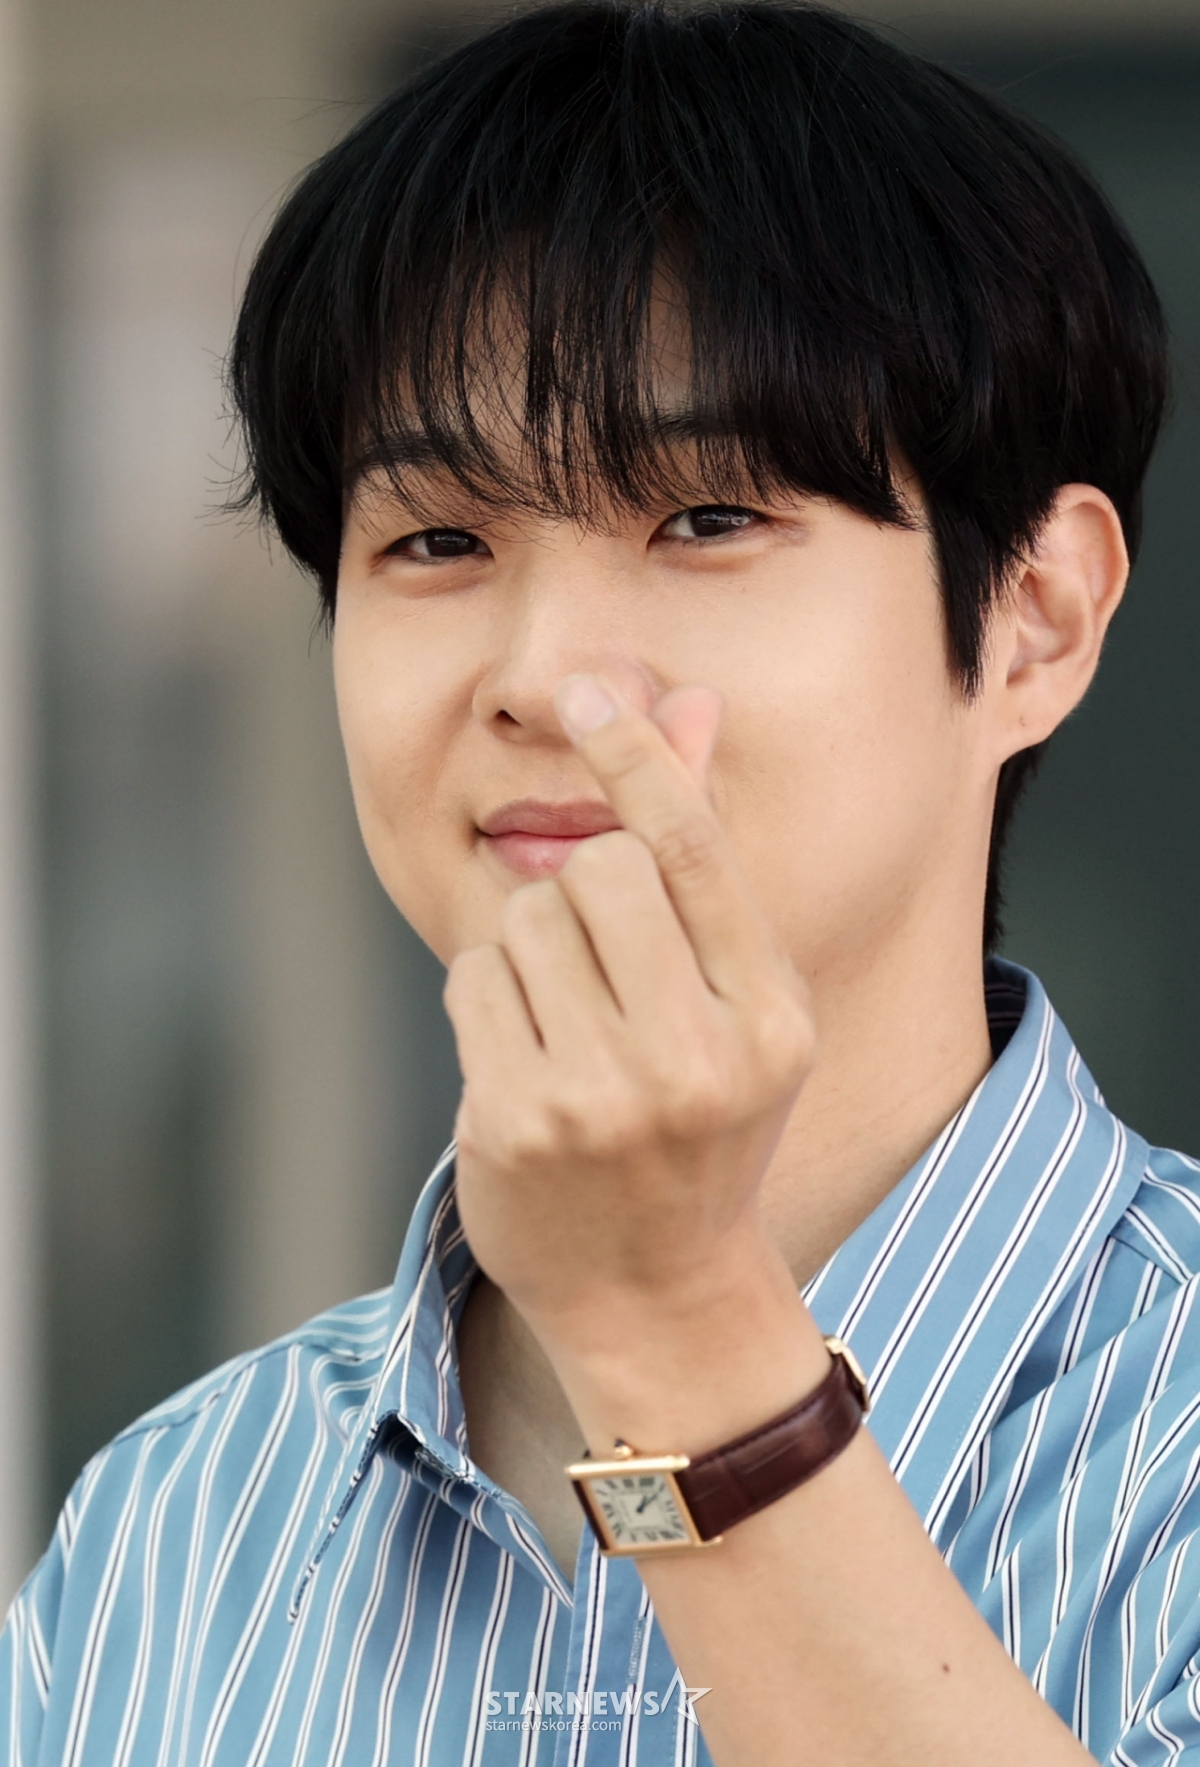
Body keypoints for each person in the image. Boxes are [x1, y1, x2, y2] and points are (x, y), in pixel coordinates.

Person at [2, 2, 1194, 1762]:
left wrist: (681, 1330)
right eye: (437, 539)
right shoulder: (170, 1533)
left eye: (706, 519)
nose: (547, 677)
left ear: (1035, 618)